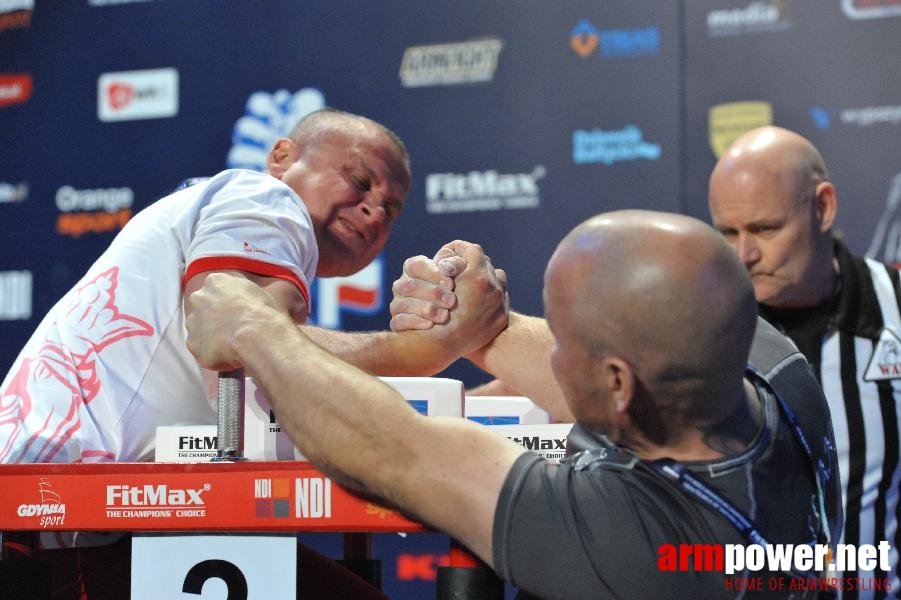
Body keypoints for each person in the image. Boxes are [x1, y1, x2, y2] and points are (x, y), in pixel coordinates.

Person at [186, 210, 841, 599]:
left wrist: (252, 326)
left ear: (617, 382)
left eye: (563, 336)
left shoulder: (627, 542)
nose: (549, 351)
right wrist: (484, 329)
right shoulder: (775, 369)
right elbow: (639, 352)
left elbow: (390, 449)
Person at [0, 107, 439, 600]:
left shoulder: (238, 231)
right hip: (67, 517)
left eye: (391, 209)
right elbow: (233, 338)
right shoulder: (266, 199)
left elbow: (272, 384)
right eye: (359, 180)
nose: (374, 211)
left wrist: (481, 404)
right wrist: (416, 351)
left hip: (76, 513)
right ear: (281, 157)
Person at [708, 125, 901, 596]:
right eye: (727, 233)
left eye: (765, 229)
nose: (744, 254)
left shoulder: (894, 308)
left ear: (823, 207)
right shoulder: (698, 327)